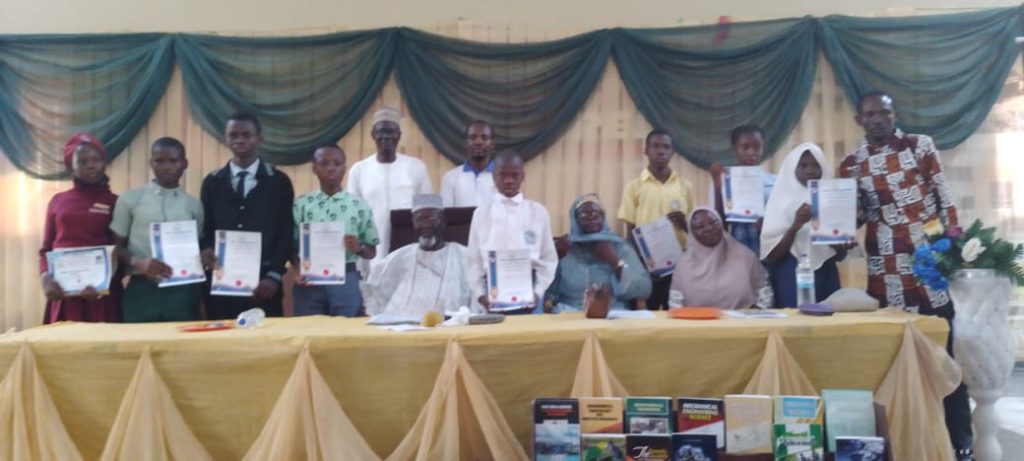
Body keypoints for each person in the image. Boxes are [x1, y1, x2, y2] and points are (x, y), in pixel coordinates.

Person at [839, 91, 971, 460]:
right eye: (870, 114)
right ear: (859, 121)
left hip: (929, 260)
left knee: (943, 352)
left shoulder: (919, 145)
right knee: (892, 354)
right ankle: (899, 439)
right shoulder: (852, 163)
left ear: (894, 114)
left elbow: (944, 198)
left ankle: (961, 442)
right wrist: (836, 228)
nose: (878, 119)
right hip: (885, 267)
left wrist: (953, 250)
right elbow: (856, 216)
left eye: (884, 112)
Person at [200, 113, 294, 319]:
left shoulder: (278, 182)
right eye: (233, 135)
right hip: (222, 283)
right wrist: (206, 249)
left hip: (264, 284)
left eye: (246, 135)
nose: (239, 140)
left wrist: (274, 275)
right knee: (222, 336)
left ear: (259, 139)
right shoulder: (212, 182)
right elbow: (206, 228)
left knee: (266, 337)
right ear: (225, 139)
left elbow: (285, 233)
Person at [110, 137, 203, 322]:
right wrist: (139, 263)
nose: (166, 167)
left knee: (181, 340)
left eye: (173, 161)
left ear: (184, 164)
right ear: (151, 163)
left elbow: (198, 247)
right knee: (138, 339)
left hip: (182, 290)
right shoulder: (130, 199)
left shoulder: (194, 205)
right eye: (159, 161)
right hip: (141, 288)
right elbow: (116, 247)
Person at [38, 133, 122, 323]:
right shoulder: (58, 201)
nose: (91, 165)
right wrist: (45, 279)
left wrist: (104, 283)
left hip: (102, 297)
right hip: (64, 295)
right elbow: (45, 250)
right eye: (83, 161)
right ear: (71, 167)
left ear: (104, 163)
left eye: (96, 159)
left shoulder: (116, 202)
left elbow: (120, 252)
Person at [467, 150, 558, 314]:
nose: (508, 181)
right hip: (492, 292)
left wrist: (538, 292)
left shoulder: (538, 212)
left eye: (514, 175)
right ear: (493, 177)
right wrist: (481, 295)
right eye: (502, 175)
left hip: (530, 292)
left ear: (523, 176)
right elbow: (473, 261)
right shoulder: (481, 214)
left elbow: (549, 259)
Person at [292, 145, 378, 317]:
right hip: (309, 279)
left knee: (345, 329)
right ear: (314, 168)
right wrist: (297, 270)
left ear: (344, 169)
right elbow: (291, 245)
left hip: (346, 277)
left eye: (337, 164)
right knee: (307, 329)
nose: (331, 168)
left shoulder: (358, 205)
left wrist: (359, 247)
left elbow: (371, 251)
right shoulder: (301, 204)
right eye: (324, 164)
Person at [618, 129, 694, 310]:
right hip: (647, 263)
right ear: (646, 150)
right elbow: (630, 230)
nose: (661, 151)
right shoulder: (634, 187)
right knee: (646, 315)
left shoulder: (685, 186)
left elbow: (694, 229)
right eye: (656, 146)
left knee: (675, 314)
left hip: (678, 263)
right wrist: (637, 264)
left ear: (672, 152)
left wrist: (684, 223)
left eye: (666, 147)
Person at [761, 143, 845, 307]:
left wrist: (837, 243)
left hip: (825, 273)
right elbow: (772, 257)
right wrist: (796, 225)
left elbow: (840, 256)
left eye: (816, 165)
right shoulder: (779, 201)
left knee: (829, 320)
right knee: (794, 321)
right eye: (803, 165)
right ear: (793, 168)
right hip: (790, 273)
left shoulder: (832, 199)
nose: (810, 170)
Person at [347, 106, 433, 266]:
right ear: (373, 135)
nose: (386, 137)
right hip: (371, 251)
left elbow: (428, 210)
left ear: (398, 135)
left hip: (408, 247)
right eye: (381, 132)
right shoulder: (358, 170)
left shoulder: (417, 167)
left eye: (391, 132)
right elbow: (353, 215)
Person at [366, 194, 472, 317]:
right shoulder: (399, 257)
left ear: (443, 222)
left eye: (431, 218)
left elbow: (476, 293)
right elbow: (375, 290)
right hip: (400, 323)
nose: (425, 224)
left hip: (447, 323)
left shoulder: (463, 255)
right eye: (419, 220)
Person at [545, 194, 651, 313]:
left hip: (613, 313)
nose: (591, 218)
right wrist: (554, 257)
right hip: (570, 313)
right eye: (583, 215)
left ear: (603, 218)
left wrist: (615, 261)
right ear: (575, 219)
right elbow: (545, 290)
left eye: (595, 214)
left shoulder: (620, 247)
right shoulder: (565, 248)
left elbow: (643, 289)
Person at [670, 207, 772, 309]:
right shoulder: (684, 266)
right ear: (692, 232)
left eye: (713, 222)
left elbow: (765, 294)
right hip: (697, 319)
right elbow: (676, 305)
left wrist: (755, 313)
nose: (709, 228)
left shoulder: (746, 257)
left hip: (741, 318)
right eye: (700, 226)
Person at [708, 125, 777, 255]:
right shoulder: (722, 181)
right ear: (735, 149)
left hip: (769, 249)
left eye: (757, 148)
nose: (751, 153)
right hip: (737, 249)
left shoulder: (773, 182)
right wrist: (718, 188)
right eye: (745, 147)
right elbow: (720, 224)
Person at [440, 120, 498, 207]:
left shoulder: (501, 178)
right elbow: (446, 213)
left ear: (492, 144)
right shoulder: (450, 177)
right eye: (473, 137)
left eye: (484, 138)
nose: (478, 142)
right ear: (466, 143)